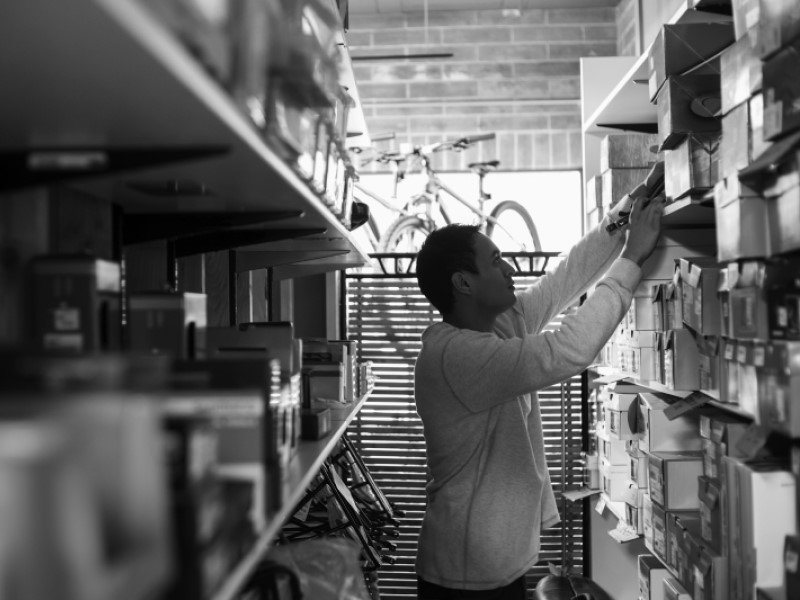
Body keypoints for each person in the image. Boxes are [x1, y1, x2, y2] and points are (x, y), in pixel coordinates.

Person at [412, 174, 664, 600]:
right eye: (495, 261)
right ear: (463, 282)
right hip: (465, 572)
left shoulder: (501, 322)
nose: (508, 268)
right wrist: (633, 257)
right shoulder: (456, 356)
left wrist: (634, 204)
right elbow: (568, 349)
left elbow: (567, 277)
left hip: (498, 554)